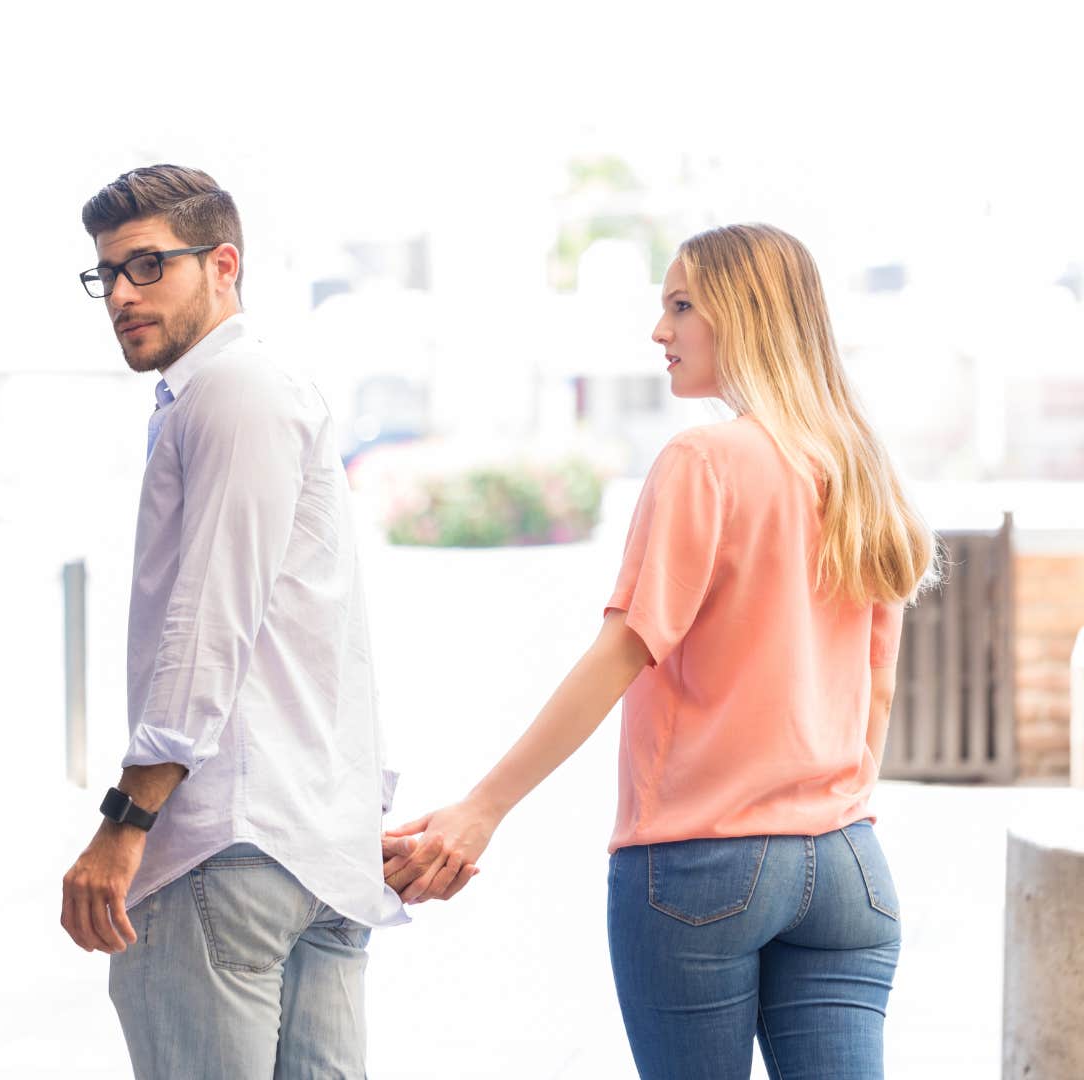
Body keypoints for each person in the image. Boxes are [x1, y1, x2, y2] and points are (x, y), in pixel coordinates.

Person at [383, 223, 937, 1079]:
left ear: (747, 317)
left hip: (700, 868)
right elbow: (879, 684)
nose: (659, 332)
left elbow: (622, 654)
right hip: (847, 868)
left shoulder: (704, 460)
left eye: (681, 306)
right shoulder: (860, 466)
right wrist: (826, 812)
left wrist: (483, 806)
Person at [58, 164, 408, 1079]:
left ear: (223, 264)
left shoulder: (233, 389)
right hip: (309, 854)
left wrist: (123, 822)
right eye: (107, 274)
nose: (122, 296)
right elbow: (316, 631)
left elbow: (209, 625)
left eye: (147, 267)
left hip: (232, 850)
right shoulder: (248, 393)